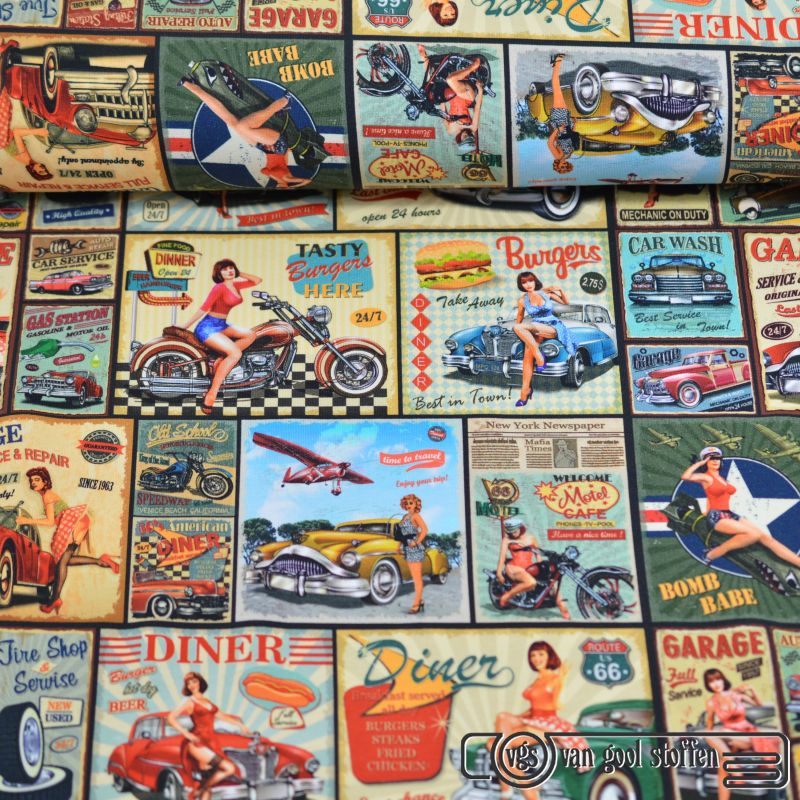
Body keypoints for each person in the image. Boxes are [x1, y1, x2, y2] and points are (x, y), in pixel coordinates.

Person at [493, 641, 590, 799]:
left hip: (547, 724)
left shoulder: (555, 678)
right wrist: (518, 718)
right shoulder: (538, 679)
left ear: (549, 656)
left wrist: (562, 680)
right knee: (494, 741)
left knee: (499, 741)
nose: (536, 658)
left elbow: (558, 704)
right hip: (533, 720)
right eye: (533, 655)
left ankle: (508, 790)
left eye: (540, 654)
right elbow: (534, 708)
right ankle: (528, 788)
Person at [16, 467, 119, 615]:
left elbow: (49, 522)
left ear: (45, 482)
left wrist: (27, 520)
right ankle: (102, 561)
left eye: (37, 480)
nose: (33, 483)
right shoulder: (45, 496)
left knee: (61, 564)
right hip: (74, 523)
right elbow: (54, 519)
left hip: (74, 524)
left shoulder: (47, 496)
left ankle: (55, 599)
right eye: (32, 480)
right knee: (65, 560)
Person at [178, 76, 312, 188]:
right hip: (278, 145)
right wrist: (293, 185)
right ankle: (285, 101)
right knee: (242, 127)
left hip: (263, 148)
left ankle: (191, 85)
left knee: (230, 121)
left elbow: (265, 170)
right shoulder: (288, 178)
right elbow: (307, 181)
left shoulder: (274, 177)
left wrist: (279, 179)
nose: (278, 188)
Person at [681, 446, 800, 567]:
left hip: (729, 514)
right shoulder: (706, 477)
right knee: (753, 535)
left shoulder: (720, 478)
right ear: (705, 461)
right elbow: (685, 477)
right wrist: (699, 463)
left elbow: (712, 496)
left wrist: (706, 510)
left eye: (717, 458)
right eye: (710, 458)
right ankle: (711, 554)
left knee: (766, 538)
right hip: (717, 516)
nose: (715, 460)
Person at [180, 259, 262, 414]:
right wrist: (184, 326)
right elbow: (204, 308)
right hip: (207, 327)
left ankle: (222, 359)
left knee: (251, 335)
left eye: (231, 268)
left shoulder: (236, 285)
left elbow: (257, 280)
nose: (229, 271)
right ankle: (212, 393)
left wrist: (239, 273)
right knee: (236, 354)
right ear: (219, 273)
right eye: (225, 269)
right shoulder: (219, 287)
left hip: (222, 325)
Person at [167, 672, 252, 800]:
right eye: (188, 683)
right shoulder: (189, 702)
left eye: (194, 681)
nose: (191, 685)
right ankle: (197, 791)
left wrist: (240, 724)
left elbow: (222, 716)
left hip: (211, 742)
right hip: (197, 742)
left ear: (200, 682)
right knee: (229, 768)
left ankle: (201, 790)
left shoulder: (207, 701)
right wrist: (187, 734)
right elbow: (171, 718)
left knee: (207, 779)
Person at [702, 668, 782, 800]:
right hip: (732, 740)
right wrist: (710, 739)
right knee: (723, 764)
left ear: (723, 680)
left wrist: (752, 691)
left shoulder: (736, 695)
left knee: (722, 735)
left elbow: (759, 705)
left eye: (718, 679)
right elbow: (709, 723)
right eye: (711, 681)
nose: (715, 684)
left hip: (748, 736)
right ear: (708, 685)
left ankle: (735, 769)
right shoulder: (711, 702)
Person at [512, 271, 576, 407]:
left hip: (552, 326)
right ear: (521, 285)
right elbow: (519, 317)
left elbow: (566, 302)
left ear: (535, 281)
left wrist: (560, 290)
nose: (528, 284)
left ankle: (540, 357)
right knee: (527, 353)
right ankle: (525, 391)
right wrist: (520, 332)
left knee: (518, 328)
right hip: (536, 328)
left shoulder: (546, 294)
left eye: (530, 281)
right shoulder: (522, 300)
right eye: (524, 282)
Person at [495, 517, 570, 618]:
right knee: (531, 582)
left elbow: (538, 554)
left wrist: (542, 569)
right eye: (511, 532)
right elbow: (502, 558)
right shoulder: (507, 540)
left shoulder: (531, 538)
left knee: (552, 585)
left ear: (520, 528)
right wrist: (499, 573)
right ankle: (507, 596)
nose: (513, 534)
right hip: (514, 568)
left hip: (529, 567)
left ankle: (564, 610)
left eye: (515, 531)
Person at [416, 44, 484, 154]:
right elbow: (477, 108)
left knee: (432, 79)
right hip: (466, 96)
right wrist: (480, 90)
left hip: (451, 96)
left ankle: (423, 54)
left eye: (464, 139)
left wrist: (438, 95)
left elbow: (443, 111)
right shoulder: (473, 127)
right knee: (450, 80)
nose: (466, 136)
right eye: (469, 138)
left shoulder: (450, 130)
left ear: (459, 140)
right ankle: (474, 66)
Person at [546, 54, 576, 175]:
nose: (564, 165)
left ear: (557, 165)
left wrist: (557, 129)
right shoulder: (568, 155)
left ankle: (557, 63)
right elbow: (570, 137)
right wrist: (573, 125)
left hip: (558, 121)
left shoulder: (557, 155)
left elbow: (550, 143)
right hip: (566, 122)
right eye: (565, 166)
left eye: (561, 167)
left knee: (557, 89)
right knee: (558, 91)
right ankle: (555, 64)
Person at [398, 494, 428, 614]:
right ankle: (420, 601)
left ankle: (416, 605)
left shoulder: (416, 516)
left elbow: (424, 530)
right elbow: (401, 534)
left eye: (411, 503)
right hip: (406, 548)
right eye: (407, 503)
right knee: (414, 576)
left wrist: (416, 542)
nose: (408, 505)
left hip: (415, 549)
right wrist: (398, 545)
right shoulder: (405, 517)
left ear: (416, 504)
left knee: (417, 578)